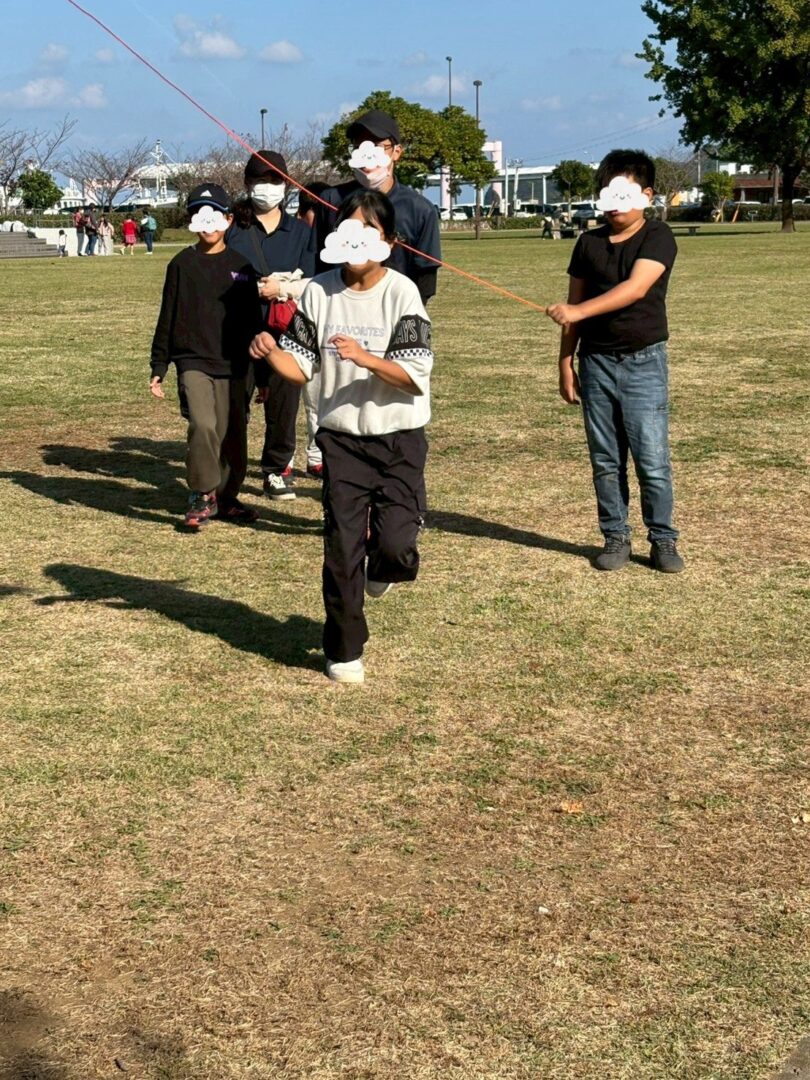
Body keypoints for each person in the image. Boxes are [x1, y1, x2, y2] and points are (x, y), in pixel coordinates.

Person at [249, 190, 433, 685]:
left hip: (399, 436)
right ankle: (344, 648)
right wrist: (270, 351)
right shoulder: (317, 292)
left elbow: (413, 375)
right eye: (347, 230)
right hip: (340, 439)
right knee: (342, 546)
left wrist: (365, 357)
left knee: (395, 546)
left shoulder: (402, 293)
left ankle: (384, 570)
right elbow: (300, 366)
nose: (356, 242)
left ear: (389, 241)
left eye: (367, 231)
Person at [547, 148, 684, 574]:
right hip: (596, 364)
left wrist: (577, 312)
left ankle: (663, 539)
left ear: (646, 195)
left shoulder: (657, 236)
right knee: (606, 461)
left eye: (624, 193)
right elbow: (574, 302)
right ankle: (615, 536)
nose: (615, 204)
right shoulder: (588, 243)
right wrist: (565, 362)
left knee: (652, 461)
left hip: (644, 363)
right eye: (607, 193)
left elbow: (636, 288)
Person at [315, 109, 441, 517]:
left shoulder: (420, 209)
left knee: (397, 421)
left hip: (395, 331)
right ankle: (347, 513)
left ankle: (400, 513)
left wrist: (398, 331)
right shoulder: (332, 202)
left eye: (378, 146)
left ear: (396, 152)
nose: (368, 154)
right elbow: (321, 270)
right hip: (340, 331)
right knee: (343, 421)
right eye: (359, 146)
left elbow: (425, 281)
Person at [149, 183, 263, 529]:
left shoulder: (242, 267)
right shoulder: (181, 264)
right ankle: (201, 493)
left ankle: (226, 498)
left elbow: (254, 325)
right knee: (202, 425)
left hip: (235, 365)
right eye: (200, 215)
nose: (208, 223)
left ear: (228, 220)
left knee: (232, 434)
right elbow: (167, 315)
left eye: (215, 215)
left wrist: (263, 376)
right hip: (193, 361)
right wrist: (159, 364)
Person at [226, 149, 317, 499]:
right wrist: (250, 284)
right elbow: (218, 271)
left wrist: (284, 287)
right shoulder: (233, 227)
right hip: (238, 328)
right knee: (234, 404)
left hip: (285, 330)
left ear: (287, 184)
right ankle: (228, 470)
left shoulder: (301, 231)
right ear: (248, 183)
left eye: (275, 180)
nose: (267, 187)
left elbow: (313, 279)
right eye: (260, 180)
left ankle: (276, 470)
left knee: (284, 404)